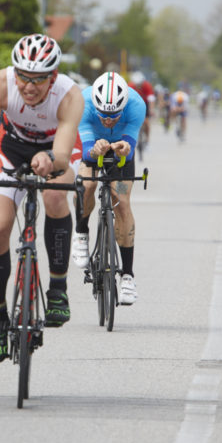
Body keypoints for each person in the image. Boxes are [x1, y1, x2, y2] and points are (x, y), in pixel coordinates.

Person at [0, 34, 83, 363]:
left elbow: (62, 153)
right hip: (11, 149)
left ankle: (58, 287)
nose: (29, 87)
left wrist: (51, 160)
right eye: (23, 77)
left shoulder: (69, 96)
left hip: (54, 150)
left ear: (54, 77)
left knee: (56, 199)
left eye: (39, 79)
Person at [70, 72, 146, 305]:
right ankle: (81, 231)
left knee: (121, 201)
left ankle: (128, 276)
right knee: (87, 184)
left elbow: (130, 147)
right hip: (92, 144)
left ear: (123, 107)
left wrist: (124, 148)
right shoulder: (82, 103)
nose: (108, 120)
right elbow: (85, 152)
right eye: (103, 114)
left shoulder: (136, 105)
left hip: (120, 147)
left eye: (114, 115)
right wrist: (95, 149)